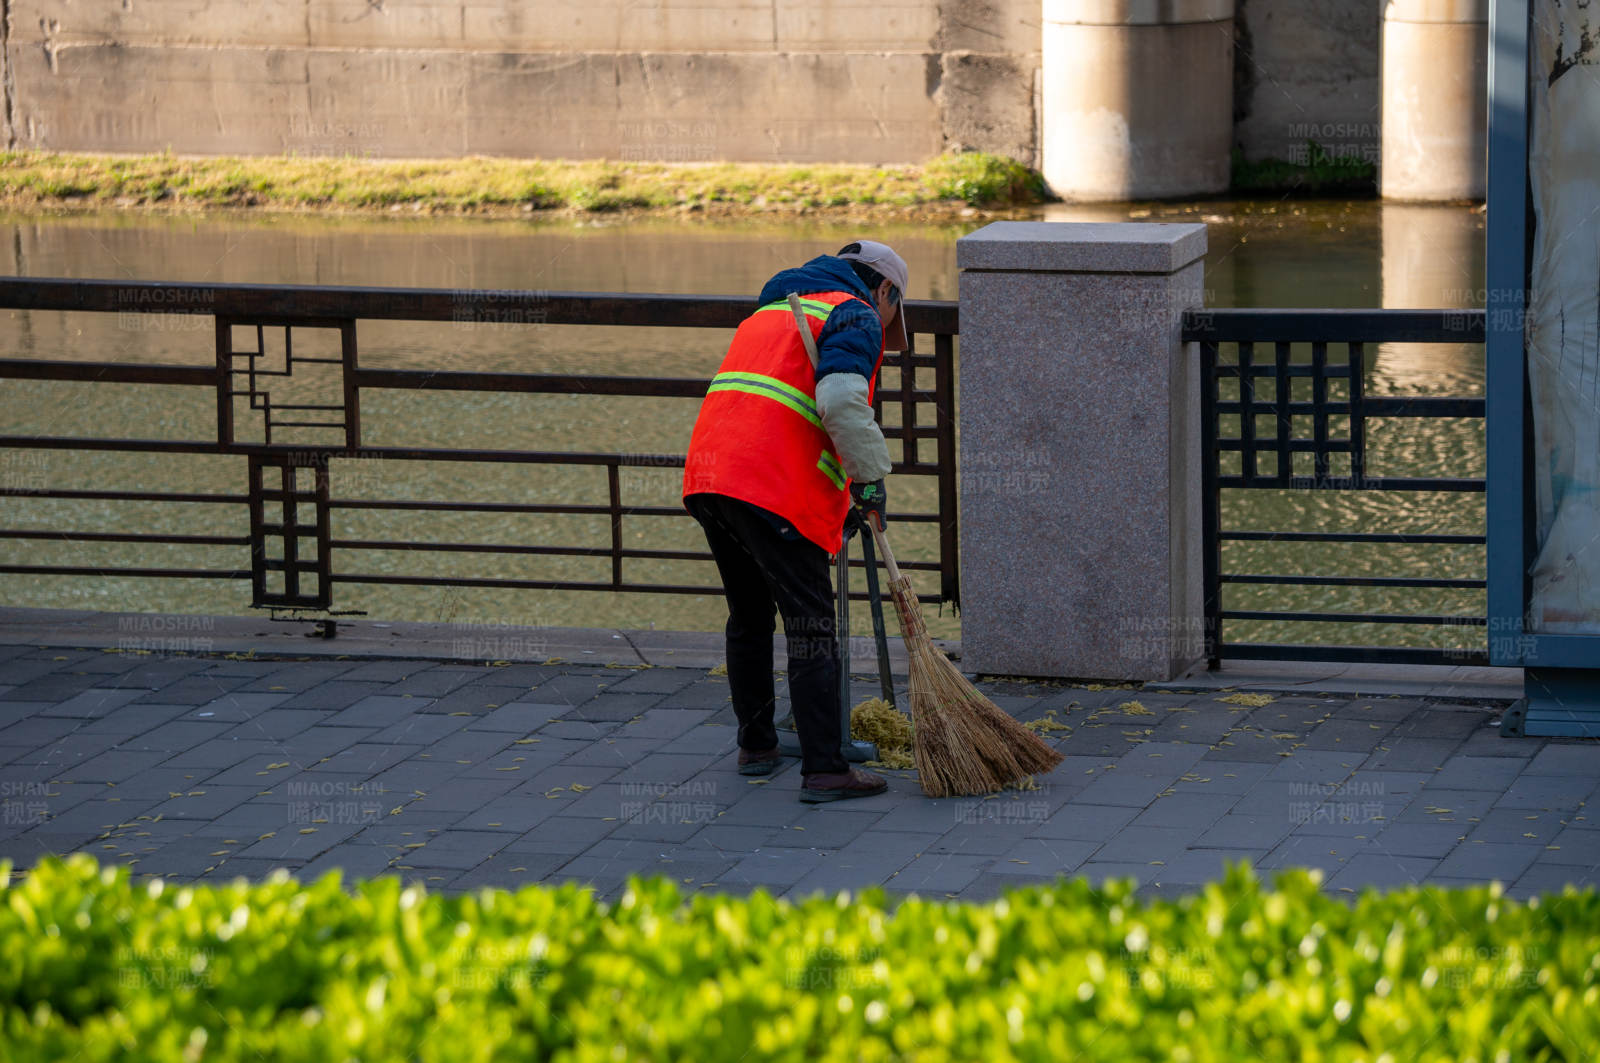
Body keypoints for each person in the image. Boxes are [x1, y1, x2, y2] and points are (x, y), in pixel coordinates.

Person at [682, 240, 909, 803]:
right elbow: (839, 399)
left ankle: (757, 746)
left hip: (712, 476)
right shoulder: (853, 312)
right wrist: (871, 478)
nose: (885, 325)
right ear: (885, 291)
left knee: (750, 616)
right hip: (772, 485)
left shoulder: (770, 311)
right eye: (892, 314)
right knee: (812, 627)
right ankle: (825, 768)